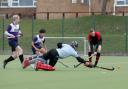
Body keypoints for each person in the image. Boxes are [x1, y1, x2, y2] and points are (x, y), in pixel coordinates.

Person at [23, 41, 87, 71]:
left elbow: (59, 44)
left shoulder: (66, 45)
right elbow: (79, 59)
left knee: (42, 58)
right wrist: (85, 62)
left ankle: (28, 62)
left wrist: (60, 48)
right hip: (56, 55)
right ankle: (39, 65)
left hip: (53, 50)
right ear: (75, 46)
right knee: (50, 67)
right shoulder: (73, 52)